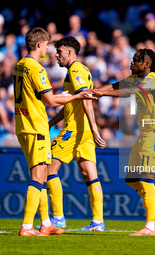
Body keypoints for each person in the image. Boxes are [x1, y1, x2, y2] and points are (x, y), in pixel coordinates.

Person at [14, 28, 94, 236]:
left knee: (40, 175)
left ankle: (46, 222)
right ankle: (27, 226)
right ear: (39, 45)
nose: (49, 50)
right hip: (35, 126)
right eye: (47, 45)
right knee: (39, 175)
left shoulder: (19, 65)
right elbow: (50, 101)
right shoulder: (36, 68)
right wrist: (77, 97)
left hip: (22, 125)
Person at [92, 48, 155, 236]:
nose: (132, 63)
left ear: (147, 65)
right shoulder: (137, 78)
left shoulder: (152, 79)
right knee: (131, 178)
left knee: (146, 178)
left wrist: (101, 95)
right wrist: (95, 91)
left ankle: (149, 227)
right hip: (145, 134)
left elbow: (128, 92)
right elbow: (116, 86)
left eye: (136, 60)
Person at [40, 36, 106, 232]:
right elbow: (73, 102)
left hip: (74, 130)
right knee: (90, 175)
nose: (56, 55)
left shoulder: (75, 70)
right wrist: (51, 122)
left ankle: (58, 218)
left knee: (48, 170)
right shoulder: (83, 69)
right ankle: (98, 222)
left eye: (59, 52)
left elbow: (85, 98)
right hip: (84, 130)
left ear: (70, 52)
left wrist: (95, 128)